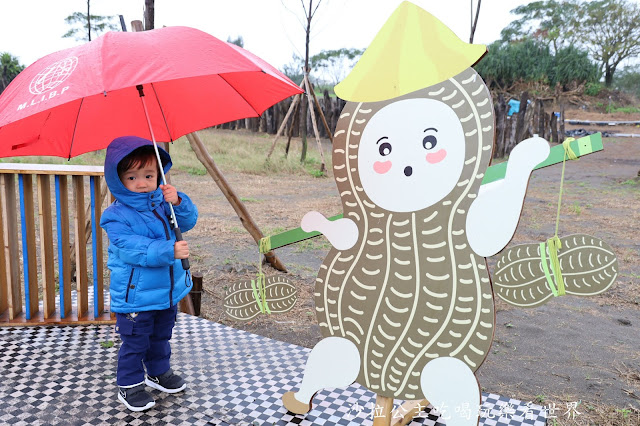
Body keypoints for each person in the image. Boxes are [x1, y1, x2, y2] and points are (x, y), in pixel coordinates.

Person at [100, 135, 198, 412]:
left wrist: (178, 201)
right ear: (119, 181)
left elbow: (188, 221)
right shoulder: (115, 216)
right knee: (136, 341)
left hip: (166, 292)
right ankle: (129, 385)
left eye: (148, 175)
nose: (141, 183)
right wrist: (169, 250)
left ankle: (158, 372)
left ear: (159, 175)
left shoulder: (163, 204)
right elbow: (131, 248)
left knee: (161, 335)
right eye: (132, 177)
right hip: (136, 297)